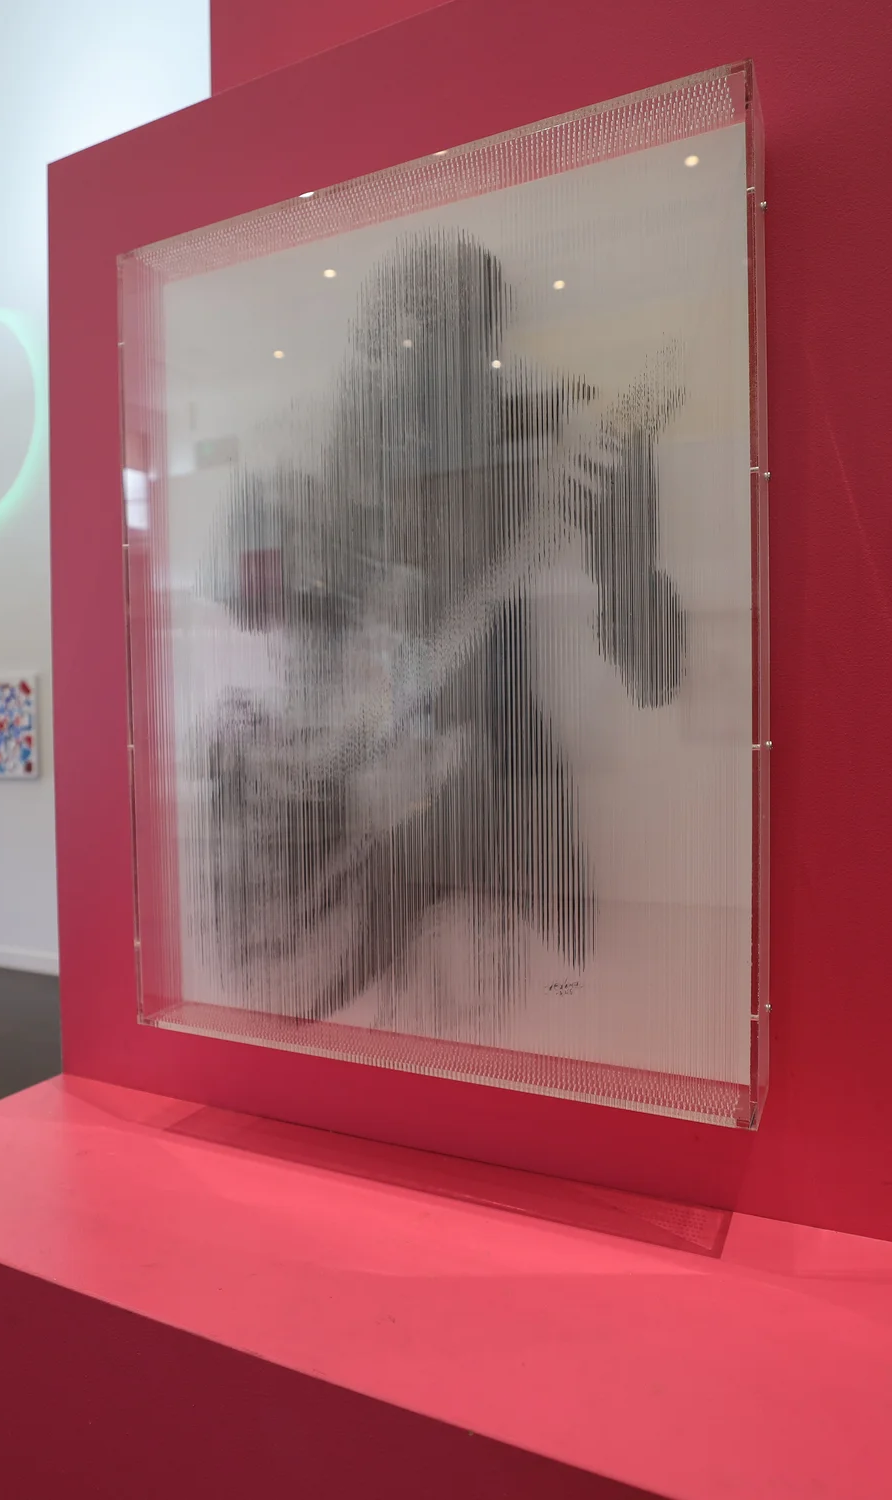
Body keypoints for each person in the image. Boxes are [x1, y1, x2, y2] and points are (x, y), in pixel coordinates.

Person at [200, 231, 687, 1027]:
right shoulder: (296, 452)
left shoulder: (554, 429)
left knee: (511, 1020)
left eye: (434, 341)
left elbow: (654, 673)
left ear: (480, 350)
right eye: (389, 342)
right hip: (337, 823)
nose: (394, 365)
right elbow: (246, 609)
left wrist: (620, 511)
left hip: (489, 803)